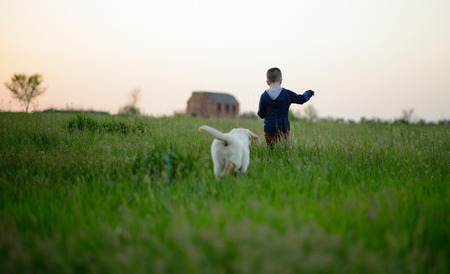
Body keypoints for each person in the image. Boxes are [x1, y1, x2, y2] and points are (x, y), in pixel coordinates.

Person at [257, 67, 314, 148]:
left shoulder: (264, 96)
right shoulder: (287, 94)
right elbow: (302, 99)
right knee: (284, 151)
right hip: (284, 128)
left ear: (267, 82)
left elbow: (261, 114)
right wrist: (309, 92)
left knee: (271, 152)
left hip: (269, 129)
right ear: (281, 81)